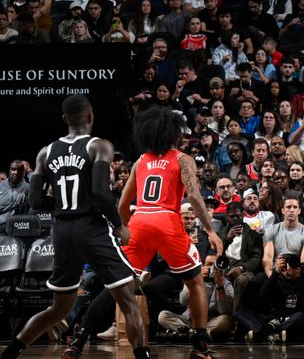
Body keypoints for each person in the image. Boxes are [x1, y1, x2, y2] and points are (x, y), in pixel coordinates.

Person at [0, 95, 149, 359]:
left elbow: (34, 201)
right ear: (91, 116)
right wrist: (119, 226)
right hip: (91, 226)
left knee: (57, 310)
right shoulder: (99, 146)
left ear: (64, 119)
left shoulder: (45, 152)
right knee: (128, 299)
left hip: (62, 231)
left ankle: (10, 352)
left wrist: (62, 204)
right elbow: (101, 194)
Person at [70, 107, 223, 359]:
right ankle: (200, 345)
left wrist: (124, 230)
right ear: (171, 133)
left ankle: (78, 340)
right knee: (195, 282)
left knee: (118, 287)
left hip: (139, 219)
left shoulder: (141, 161)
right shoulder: (182, 159)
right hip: (167, 219)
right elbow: (194, 196)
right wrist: (210, 230)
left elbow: (121, 205)